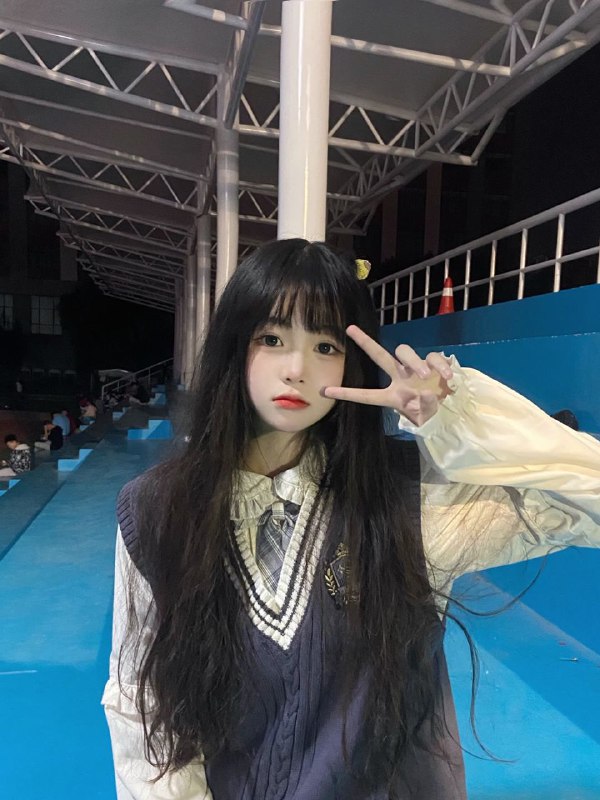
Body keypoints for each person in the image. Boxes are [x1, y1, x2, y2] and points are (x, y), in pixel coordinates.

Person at [102, 240, 600, 800]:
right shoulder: (158, 510)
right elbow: (142, 707)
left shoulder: (409, 498)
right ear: (233, 347)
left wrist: (463, 426)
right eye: (271, 339)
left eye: (325, 345)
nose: (296, 370)